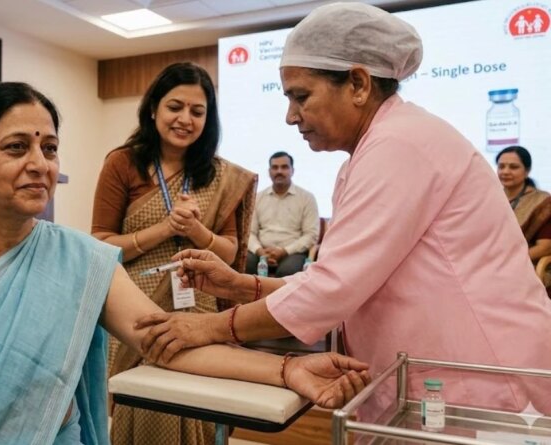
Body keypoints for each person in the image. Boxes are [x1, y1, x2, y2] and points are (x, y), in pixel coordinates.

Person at [0, 82, 370, 445]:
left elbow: (165, 341)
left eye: (49, 148)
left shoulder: (78, 258)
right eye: (16, 148)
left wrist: (288, 368)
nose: (39, 164)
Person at [136, 2, 551, 420]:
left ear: (357, 84)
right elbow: (334, 278)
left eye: (301, 96)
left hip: (481, 376)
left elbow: (331, 288)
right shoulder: (369, 154)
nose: (290, 116)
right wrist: (241, 285)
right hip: (435, 375)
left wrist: (208, 327)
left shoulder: (400, 145)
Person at [91, 62, 257, 444]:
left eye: (197, 111)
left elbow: (230, 252)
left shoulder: (221, 175)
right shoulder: (123, 163)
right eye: (175, 107)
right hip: (134, 308)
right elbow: (101, 242)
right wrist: (164, 229)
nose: (185, 119)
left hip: (198, 308)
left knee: (196, 402)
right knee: (144, 405)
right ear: (154, 109)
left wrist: (196, 231)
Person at [246, 151, 318, 277]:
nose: (279, 171)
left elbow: (311, 235)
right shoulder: (257, 198)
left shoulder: (307, 198)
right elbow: (249, 232)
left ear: (292, 171)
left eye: (284, 167)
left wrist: (284, 251)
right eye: (275, 167)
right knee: (243, 262)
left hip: (291, 253)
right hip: (261, 251)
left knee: (287, 271)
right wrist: (260, 251)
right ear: (269, 172)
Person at [496, 146, 551, 292]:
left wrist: (508, 260)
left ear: (527, 171)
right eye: (501, 166)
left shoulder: (542, 202)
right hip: (492, 262)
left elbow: (546, 247)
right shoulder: (491, 198)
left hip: (525, 266)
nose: (505, 171)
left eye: (513, 167)